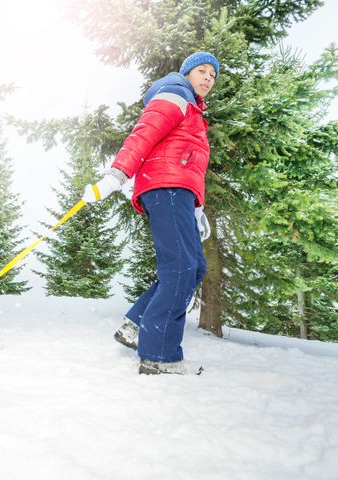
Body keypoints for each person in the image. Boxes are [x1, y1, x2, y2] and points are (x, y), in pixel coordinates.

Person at [82, 52, 218, 375]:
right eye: (202, 70)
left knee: (193, 266)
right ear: (187, 72)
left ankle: (136, 324)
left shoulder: (193, 109)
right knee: (181, 269)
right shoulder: (176, 92)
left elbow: (188, 160)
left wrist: (197, 210)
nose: (208, 78)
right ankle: (158, 355)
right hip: (165, 186)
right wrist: (116, 175)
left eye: (213, 75)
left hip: (179, 191)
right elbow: (145, 133)